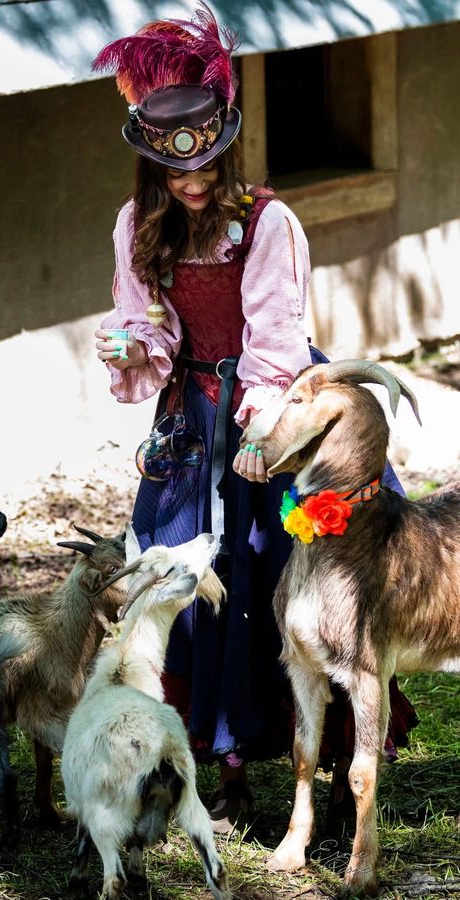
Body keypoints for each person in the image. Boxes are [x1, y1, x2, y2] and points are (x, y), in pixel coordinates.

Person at [92, 2, 417, 834]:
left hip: (268, 414)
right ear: (151, 167)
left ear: (225, 144)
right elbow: (151, 326)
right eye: (176, 172)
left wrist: (261, 435)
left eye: (205, 164)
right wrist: (132, 348)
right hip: (187, 420)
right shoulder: (137, 226)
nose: (194, 183)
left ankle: (341, 760)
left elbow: (275, 340)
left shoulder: (269, 224)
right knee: (181, 577)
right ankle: (217, 764)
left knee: (282, 578)